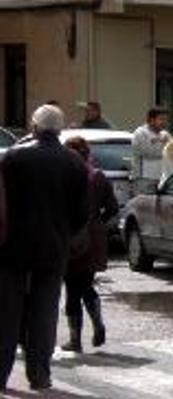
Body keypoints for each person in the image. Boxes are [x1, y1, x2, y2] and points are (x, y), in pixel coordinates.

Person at [0, 105, 89, 391]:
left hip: (11, 247)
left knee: (7, 312)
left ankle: (1, 375)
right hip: (54, 247)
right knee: (44, 311)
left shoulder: (12, 158)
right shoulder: (74, 162)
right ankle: (39, 374)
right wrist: (66, 235)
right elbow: (83, 212)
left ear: (34, 127)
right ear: (60, 130)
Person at [60, 137, 118, 353]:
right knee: (85, 283)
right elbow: (112, 208)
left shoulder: (67, 177)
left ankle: (75, 340)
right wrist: (97, 224)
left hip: (71, 236)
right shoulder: (98, 176)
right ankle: (97, 324)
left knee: (72, 288)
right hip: (93, 237)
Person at [132, 107, 170, 193]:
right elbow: (147, 153)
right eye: (161, 119)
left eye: (165, 120)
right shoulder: (140, 133)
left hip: (161, 178)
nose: (164, 122)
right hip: (144, 179)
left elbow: (171, 152)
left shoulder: (165, 134)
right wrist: (161, 144)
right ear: (151, 120)